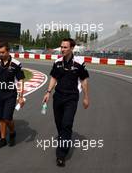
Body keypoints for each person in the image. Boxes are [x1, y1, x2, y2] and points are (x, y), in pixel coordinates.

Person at [42, 38, 89, 167]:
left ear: (72, 48)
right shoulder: (57, 62)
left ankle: (61, 154)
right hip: (58, 97)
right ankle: (64, 138)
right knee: (59, 124)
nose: (62, 49)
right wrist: (48, 92)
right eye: (61, 47)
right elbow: (53, 78)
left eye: (65, 47)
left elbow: (84, 80)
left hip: (72, 98)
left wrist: (86, 97)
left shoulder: (79, 63)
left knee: (66, 124)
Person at [0, 42, 25, 149]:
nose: (1, 54)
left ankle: (12, 132)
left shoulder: (16, 64)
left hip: (10, 94)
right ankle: (3, 139)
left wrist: (21, 96)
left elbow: (20, 80)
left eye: (3, 52)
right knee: (1, 118)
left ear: (8, 51)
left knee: (7, 118)